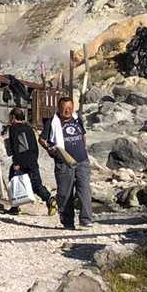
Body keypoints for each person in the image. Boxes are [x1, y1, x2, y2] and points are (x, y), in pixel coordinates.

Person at [43, 96, 93, 229]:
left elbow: (83, 135)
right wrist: (50, 150)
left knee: (85, 190)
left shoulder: (77, 119)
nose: (67, 111)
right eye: (64, 108)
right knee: (65, 193)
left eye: (70, 108)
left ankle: (86, 220)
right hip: (64, 162)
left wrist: (83, 148)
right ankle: (68, 222)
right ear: (59, 108)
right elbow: (42, 139)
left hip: (82, 161)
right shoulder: (52, 122)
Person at [5, 107, 52, 215]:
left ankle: (15, 207)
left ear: (13, 117)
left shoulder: (13, 128)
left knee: (13, 181)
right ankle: (49, 199)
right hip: (32, 160)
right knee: (36, 184)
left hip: (21, 161)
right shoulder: (29, 128)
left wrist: (16, 162)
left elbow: (15, 146)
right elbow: (34, 145)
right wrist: (34, 159)